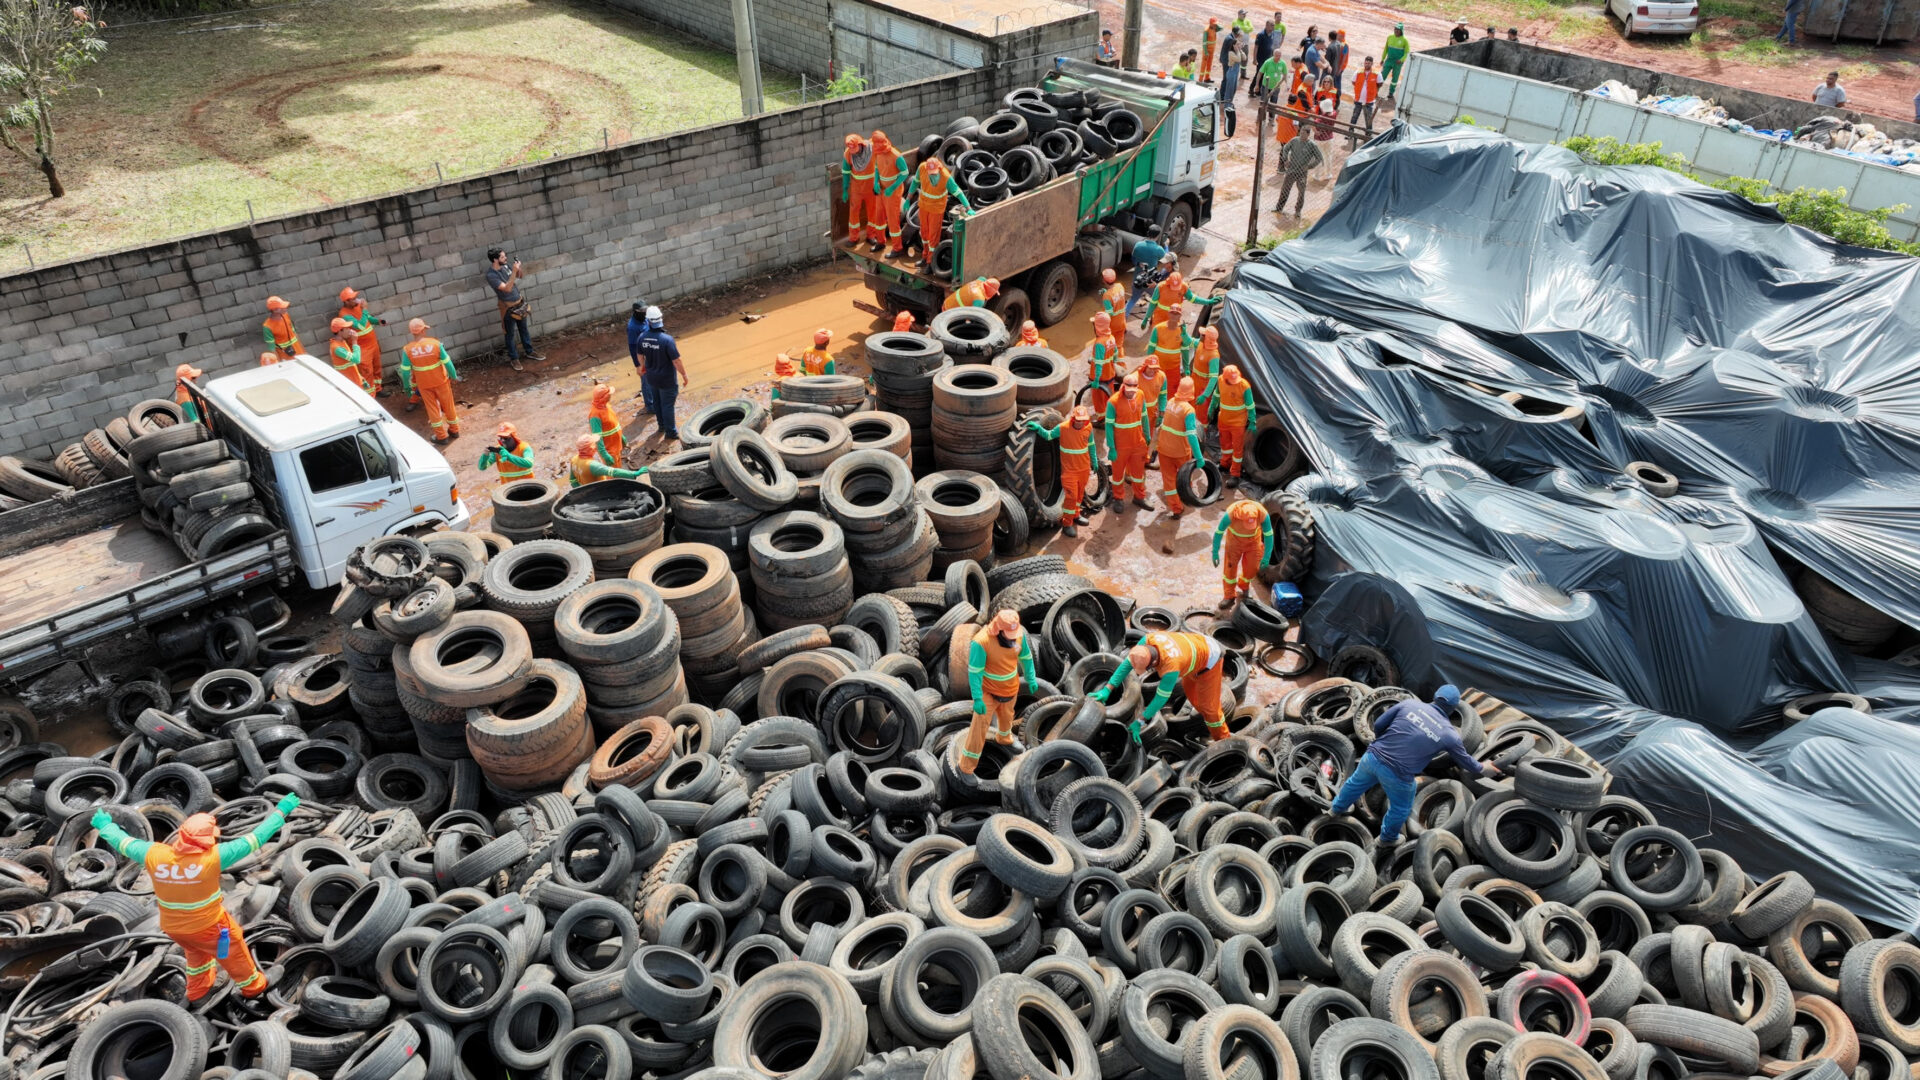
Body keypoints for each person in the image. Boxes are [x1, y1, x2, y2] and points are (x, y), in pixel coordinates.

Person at [91, 794, 301, 1001]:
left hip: (173, 928)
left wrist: (105, 826)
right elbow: (256, 838)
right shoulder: (214, 857)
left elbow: (124, 843)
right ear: (207, 839)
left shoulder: (155, 854)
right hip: (208, 926)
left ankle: (198, 990)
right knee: (234, 951)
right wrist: (281, 811)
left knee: (196, 953)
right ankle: (253, 986)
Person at [1329, 685, 1502, 845]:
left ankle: (1336, 809)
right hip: (1398, 775)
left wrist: (1381, 742)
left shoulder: (1409, 705)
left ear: (1435, 696)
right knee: (1400, 809)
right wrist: (1484, 768)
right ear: (1453, 708)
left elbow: (1380, 723)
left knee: (1354, 784)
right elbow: (1465, 761)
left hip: (1373, 757)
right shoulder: (1449, 734)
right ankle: (1387, 839)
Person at [1090, 631, 1231, 742]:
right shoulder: (1146, 641)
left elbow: (1160, 699)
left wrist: (1140, 721)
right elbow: (1126, 665)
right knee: (1193, 696)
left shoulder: (1171, 668)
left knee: (1210, 709)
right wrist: (1108, 688)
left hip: (1211, 659)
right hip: (1194, 649)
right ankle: (1204, 722)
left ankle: (1223, 739)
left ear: (1154, 662)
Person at [961, 610, 1041, 773]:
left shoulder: (1017, 636)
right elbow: (975, 672)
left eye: (1014, 633)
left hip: (1010, 689)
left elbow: (1025, 656)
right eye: (1008, 634)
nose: (1013, 637)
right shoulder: (981, 642)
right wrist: (977, 699)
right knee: (979, 728)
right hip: (988, 693)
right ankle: (966, 767)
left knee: (1007, 717)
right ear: (998, 629)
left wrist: (1031, 677)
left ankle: (1004, 738)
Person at [1027, 406, 1099, 537]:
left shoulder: (1088, 428)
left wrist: (1094, 461)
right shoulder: (1063, 428)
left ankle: (1076, 515)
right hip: (1069, 472)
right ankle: (1067, 523)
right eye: (1078, 420)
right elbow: (1049, 436)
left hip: (1083, 469)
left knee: (1079, 495)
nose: (1080, 423)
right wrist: (1039, 429)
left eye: (1082, 420)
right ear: (1073, 418)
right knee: (1071, 497)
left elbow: (1091, 445)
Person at [633, 305, 688, 442]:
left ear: (648, 321)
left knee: (657, 403)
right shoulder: (667, 340)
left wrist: (643, 367)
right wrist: (684, 375)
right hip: (667, 380)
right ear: (660, 320)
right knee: (667, 405)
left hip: (652, 378)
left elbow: (639, 355)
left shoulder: (642, 337)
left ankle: (662, 426)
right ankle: (671, 432)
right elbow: (676, 361)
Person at [400, 317, 460, 442]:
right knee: (448, 405)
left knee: (432, 409)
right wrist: (453, 376)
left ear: (412, 332)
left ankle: (441, 436)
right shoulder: (435, 344)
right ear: (423, 331)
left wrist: (407, 386)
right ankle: (454, 430)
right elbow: (448, 363)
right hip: (441, 381)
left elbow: (405, 372)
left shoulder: (407, 349)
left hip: (424, 385)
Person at [910, 153, 972, 270]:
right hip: (923, 207)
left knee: (933, 236)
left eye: (934, 173)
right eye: (930, 173)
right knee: (924, 233)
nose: (932, 175)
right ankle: (924, 257)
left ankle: (930, 262)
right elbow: (915, 182)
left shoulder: (945, 177)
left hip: (936, 210)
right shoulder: (922, 168)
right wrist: (908, 198)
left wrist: (968, 208)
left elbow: (958, 192)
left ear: (939, 168)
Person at [486, 248, 544, 368]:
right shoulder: (491, 275)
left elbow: (520, 276)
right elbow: (507, 289)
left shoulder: (506, 267)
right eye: (502, 257)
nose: (505, 258)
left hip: (519, 303)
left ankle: (529, 351)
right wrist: (513, 271)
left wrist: (518, 269)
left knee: (524, 329)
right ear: (495, 260)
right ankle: (514, 358)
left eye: (505, 256)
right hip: (507, 308)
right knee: (510, 334)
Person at [1156, 376, 1205, 517]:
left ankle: (1176, 508)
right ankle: (1186, 497)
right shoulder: (1188, 410)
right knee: (1185, 476)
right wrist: (1199, 457)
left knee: (1169, 481)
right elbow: (1191, 435)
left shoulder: (1171, 402)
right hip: (1180, 451)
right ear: (1191, 392)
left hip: (1164, 449)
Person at [1212, 497, 1274, 607]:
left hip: (1253, 542)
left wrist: (1266, 556)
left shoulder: (1262, 513)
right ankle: (1229, 596)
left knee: (1253, 567)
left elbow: (1269, 535)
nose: (1249, 527)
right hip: (1234, 543)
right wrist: (1215, 552)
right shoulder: (1231, 514)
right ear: (1239, 517)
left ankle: (1244, 585)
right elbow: (1219, 532)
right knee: (1229, 570)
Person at [1105, 372, 1151, 508]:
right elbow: (1108, 426)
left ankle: (1139, 497)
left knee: (1138, 474)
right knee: (1118, 476)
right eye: (1128, 390)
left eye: (1133, 390)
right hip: (1120, 446)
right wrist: (1111, 447)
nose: (1131, 393)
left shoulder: (1140, 395)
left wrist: (1147, 434)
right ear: (1123, 386)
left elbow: (1144, 416)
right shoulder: (1113, 402)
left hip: (1138, 443)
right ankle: (1118, 498)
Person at [338, 287, 386, 395]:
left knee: (377, 368)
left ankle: (378, 389)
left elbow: (367, 318)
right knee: (367, 372)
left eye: (355, 297)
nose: (356, 300)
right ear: (346, 301)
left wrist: (377, 321)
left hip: (373, 344)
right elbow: (360, 326)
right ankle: (370, 395)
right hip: (362, 348)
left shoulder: (358, 307)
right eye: (353, 298)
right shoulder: (344, 314)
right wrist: (364, 309)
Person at [869, 130, 910, 257]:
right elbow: (877, 168)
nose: (874, 147)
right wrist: (876, 182)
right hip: (881, 190)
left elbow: (905, 173)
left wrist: (892, 188)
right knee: (879, 217)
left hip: (892, 193)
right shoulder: (878, 153)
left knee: (893, 220)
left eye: (875, 145)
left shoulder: (896, 156)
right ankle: (881, 241)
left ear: (881, 143)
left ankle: (897, 248)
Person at [1215, 364, 1256, 483]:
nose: (1235, 382)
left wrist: (1252, 421)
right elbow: (1217, 395)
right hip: (1223, 420)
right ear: (1225, 378)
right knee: (1225, 445)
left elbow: (1250, 405)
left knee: (1237, 449)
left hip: (1238, 423)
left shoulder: (1244, 386)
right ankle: (1225, 464)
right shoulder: (1220, 380)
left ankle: (1235, 473)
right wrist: (1212, 406)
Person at [1146, 269, 1218, 333]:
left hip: (1174, 317)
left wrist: (1208, 302)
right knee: (1157, 335)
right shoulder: (1160, 287)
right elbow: (1153, 303)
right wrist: (1147, 317)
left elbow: (1193, 298)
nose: (1175, 289)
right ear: (1168, 282)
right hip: (1160, 317)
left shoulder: (1184, 287)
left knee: (1172, 336)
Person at [569, 434, 649, 487]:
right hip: (599, 492)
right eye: (594, 444)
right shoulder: (592, 465)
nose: (596, 447)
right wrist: (634, 474)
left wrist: (580, 492)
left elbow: (572, 480)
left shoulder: (574, 459)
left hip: (586, 492)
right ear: (591, 449)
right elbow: (613, 472)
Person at [1276, 126, 1324, 216]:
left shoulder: (1312, 145)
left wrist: (1309, 166)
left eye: (1303, 133)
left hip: (1302, 173)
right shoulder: (1295, 140)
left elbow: (1319, 158)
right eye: (1300, 132)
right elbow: (1285, 148)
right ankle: (1279, 208)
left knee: (1301, 192)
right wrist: (1285, 159)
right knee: (1285, 189)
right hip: (1291, 170)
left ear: (1308, 134)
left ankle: (1298, 211)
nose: (1301, 135)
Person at [841, 133, 876, 247]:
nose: (854, 153)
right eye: (852, 150)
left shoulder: (872, 148)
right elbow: (846, 173)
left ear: (861, 144)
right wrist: (845, 190)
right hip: (856, 189)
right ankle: (854, 238)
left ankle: (871, 235)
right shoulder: (848, 154)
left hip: (871, 187)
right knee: (854, 213)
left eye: (855, 149)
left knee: (872, 212)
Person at [1087, 311, 1122, 420]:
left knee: (1099, 401)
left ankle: (1102, 420)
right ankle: (1110, 415)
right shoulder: (1111, 337)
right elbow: (1115, 353)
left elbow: (1099, 363)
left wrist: (1096, 379)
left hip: (1100, 377)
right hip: (1110, 375)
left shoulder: (1099, 343)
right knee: (1108, 397)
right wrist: (1112, 364)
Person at [627, 302, 658, 416]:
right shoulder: (632, 327)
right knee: (646, 381)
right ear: (636, 312)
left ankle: (655, 400)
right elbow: (632, 347)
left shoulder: (645, 319)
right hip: (642, 357)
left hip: (651, 353)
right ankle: (650, 406)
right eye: (643, 312)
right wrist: (638, 365)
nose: (645, 313)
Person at [327, 317, 372, 392]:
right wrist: (354, 341)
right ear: (340, 331)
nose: (350, 330)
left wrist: (360, 377)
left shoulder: (342, 342)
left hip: (354, 381)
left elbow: (350, 363)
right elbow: (356, 360)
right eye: (347, 328)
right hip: (349, 384)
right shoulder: (337, 348)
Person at [1128, 240, 1171, 320]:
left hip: (1138, 281)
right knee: (1157, 300)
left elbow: (1133, 259)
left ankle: (1124, 318)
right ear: (1158, 236)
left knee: (1133, 299)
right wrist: (1166, 245)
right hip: (1150, 283)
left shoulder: (1138, 244)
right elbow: (1167, 257)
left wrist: (1138, 264)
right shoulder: (1158, 249)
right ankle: (1152, 318)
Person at [1136, 351, 1170, 449]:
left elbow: (1163, 395)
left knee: (1149, 435)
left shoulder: (1161, 376)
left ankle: (1144, 453)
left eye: (1155, 368)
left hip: (1152, 413)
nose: (1152, 371)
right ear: (1145, 366)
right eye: (1150, 368)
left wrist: (1161, 412)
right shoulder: (1136, 378)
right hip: (1137, 413)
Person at [588, 383, 626, 467]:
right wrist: (605, 455)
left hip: (616, 447)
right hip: (610, 451)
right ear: (604, 397)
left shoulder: (606, 406)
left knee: (619, 469)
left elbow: (614, 423)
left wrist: (621, 437)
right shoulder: (595, 415)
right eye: (609, 394)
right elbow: (597, 437)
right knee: (613, 475)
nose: (611, 396)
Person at [1189, 324, 1222, 418]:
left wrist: (1205, 395)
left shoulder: (1214, 356)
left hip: (1203, 387)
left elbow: (1213, 378)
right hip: (1194, 382)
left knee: (1201, 413)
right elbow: (1190, 341)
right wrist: (1184, 334)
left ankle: (1202, 431)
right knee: (1191, 407)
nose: (1200, 335)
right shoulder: (1201, 344)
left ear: (1206, 338)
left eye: (1203, 334)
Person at [1350, 56, 1381, 145]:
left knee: (1368, 118)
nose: (1367, 64)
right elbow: (1353, 82)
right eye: (1366, 63)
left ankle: (1368, 135)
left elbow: (1380, 83)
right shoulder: (1358, 71)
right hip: (1359, 99)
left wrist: (1373, 91)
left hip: (1369, 101)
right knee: (1355, 116)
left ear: (1372, 64)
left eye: (1369, 63)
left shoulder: (1376, 73)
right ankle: (1350, 132)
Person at [261, 295, 300, 361]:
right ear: (275, 310)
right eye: (282, 307)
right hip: (284, 355)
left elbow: (294, 333)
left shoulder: (286, 315)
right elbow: (272, 348)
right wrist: (278, 363)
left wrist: (304, 352)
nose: (285, 308)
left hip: (298, 350)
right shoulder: (267, 326)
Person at [1382, 22, 1411, 99]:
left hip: (1397, 63)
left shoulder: (1405, 40)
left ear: (1401, 31)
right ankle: (1376, 89)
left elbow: (1407, 52)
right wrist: (1382, 59)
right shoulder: (1390, 37)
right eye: (1395, 29)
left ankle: (1391, 92)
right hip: (1389, 60)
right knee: (1382, 75)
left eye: (1398, 30)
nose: (1396, 31)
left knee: (1395, 78)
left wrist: (1401, 60)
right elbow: (1386, 49)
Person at [1220, 26, 1244, 107]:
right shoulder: (1231, 39)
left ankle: (1223, 98)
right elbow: (1235, 53)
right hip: (1228, 62)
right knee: (1227, 81)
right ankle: (1223, 98)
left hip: (1227, 60)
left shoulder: (1229, 37)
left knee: (1227, 81)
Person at [1326, 30, 1350, 105]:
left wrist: (1340, 68)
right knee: (1334, 79)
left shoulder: (1345, 45)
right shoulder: (1337, 42)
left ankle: (1337, 95)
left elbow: (1344, 57)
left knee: (1337, 80)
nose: (1337, 36)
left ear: (1342, 36)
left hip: (1340, 66)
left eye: (1338, 35)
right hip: (1336, 65)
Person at [1201, 18, 1220, 82]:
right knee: (1204, 65)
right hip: (1207, 50)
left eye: (1216, 24)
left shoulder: (1214, 28)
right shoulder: (1206, 30)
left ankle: (1207, 78)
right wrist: (1206, 52)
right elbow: (1204, 42)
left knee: (1209, 65)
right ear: (1210, 23)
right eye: (1214, 24)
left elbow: (1221, 28)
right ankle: (1200, 79)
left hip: (1212, 50)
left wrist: (1216, 25)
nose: (1215, 25)